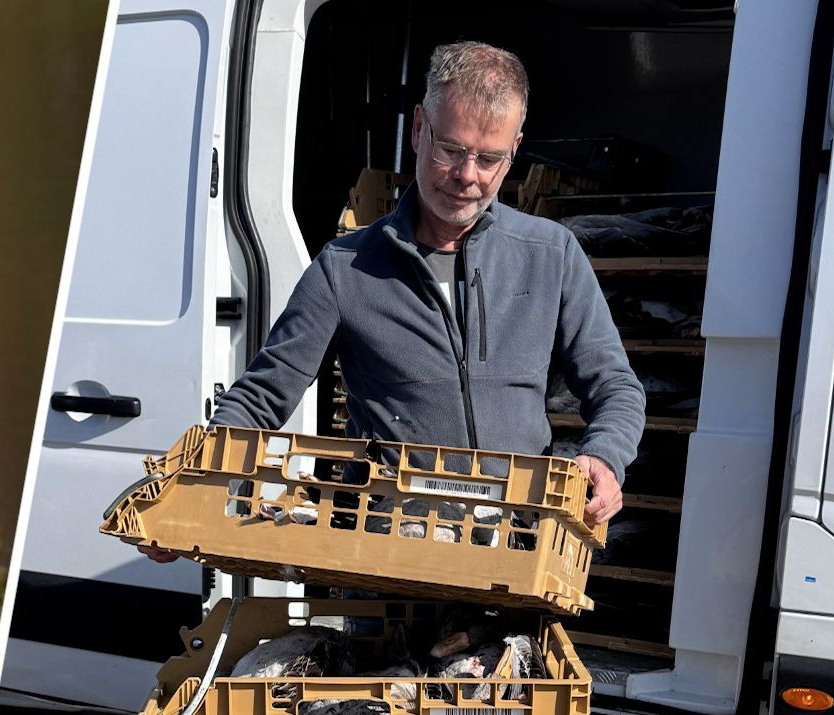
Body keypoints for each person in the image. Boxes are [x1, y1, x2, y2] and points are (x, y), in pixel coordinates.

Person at [143, 41, 643, 562]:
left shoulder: (551, 254)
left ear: (515, 149)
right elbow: (262, 396)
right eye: (450, 148)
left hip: (517, 555)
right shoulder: (346, 267)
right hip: (384, 559)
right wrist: (188, 489)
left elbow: (615, 386)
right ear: (419, 127)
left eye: (489, 158)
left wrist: (604, 457)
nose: (467, 175)